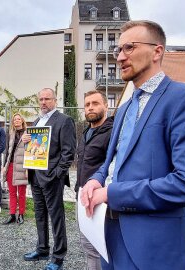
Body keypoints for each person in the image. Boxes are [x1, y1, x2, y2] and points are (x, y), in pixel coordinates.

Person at [81, 20, 185, 270]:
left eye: (129, 47)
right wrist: (96, 180)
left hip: (153, 248)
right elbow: (114, 162)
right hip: (108, 239)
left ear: (157, 51)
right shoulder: (122, 110)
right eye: (118, 50)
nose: (120, 57)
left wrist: (112, 194)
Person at [22, 88, 76, 270]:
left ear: (55, 100)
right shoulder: (38, 121)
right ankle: (42, 248)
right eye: (41, 99)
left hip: (52, 178)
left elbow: (68, 153)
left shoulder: (64, 121)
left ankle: (58, 257)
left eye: (47, 99)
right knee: (39, 214)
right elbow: (35, 147)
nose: (43, 102)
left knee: (56, 216)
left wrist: (56, 175)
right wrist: (25, 139)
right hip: (35, 176)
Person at [75, 90, 113, 270]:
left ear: (106, 106)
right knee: (87, 245)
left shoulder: (112, 133)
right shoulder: (85, 133)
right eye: (87, 104)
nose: (90, 107)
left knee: (100, 247)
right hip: (82, 195)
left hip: (101, 199)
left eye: (95, 103)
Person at [1, 113, 28, 225]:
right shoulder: (10, 134)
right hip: (11, 165)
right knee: (12, 192)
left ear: (22, 121)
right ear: (13, 122)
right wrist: (4, 166)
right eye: (14, 119)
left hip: (22, 166)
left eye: (18, 119)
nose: (16, 121)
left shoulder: (28, 134)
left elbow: (31, 151)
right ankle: (12, 214)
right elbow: (7, 151)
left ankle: (21, 214)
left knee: (21, 192)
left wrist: (28, 168)